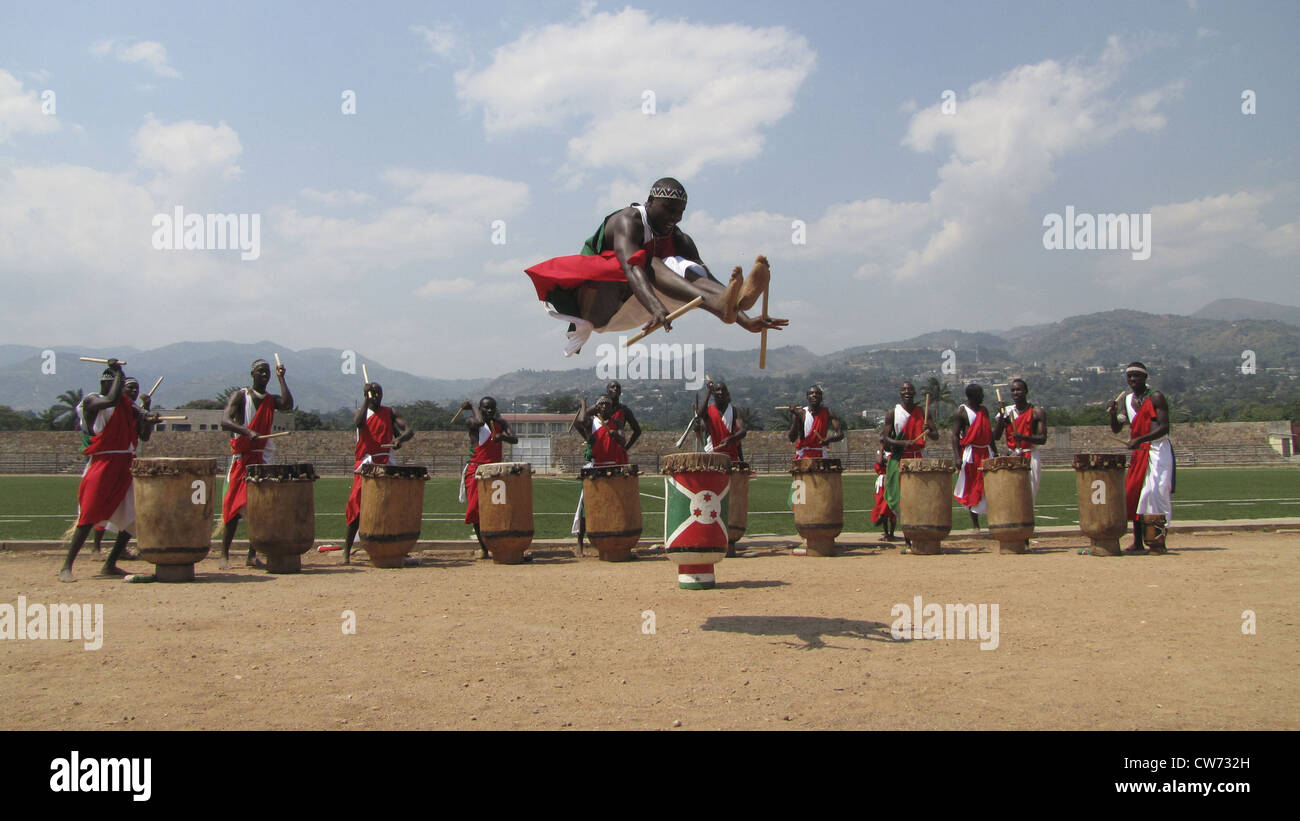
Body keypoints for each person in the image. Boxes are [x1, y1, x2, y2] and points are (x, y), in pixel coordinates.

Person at [524, 178, 787, 354]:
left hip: (634, 303)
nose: (674, 218)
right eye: (668, 209)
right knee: (647, 259)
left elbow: (712, 282)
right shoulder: (628, 220)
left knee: (686, 265)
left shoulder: (679, 237)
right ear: (649, 202)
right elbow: (632, 268)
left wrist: (743, 319)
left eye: (680, 212)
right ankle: (723, 306)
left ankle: (739, 302)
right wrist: (656, 307)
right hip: (596, 306)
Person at [58, 363, 158, 581]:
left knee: (134, 516)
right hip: (103, 463)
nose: (122, 388)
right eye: (117, 383)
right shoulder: (92, 401)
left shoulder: (126, 407)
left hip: (125, 463)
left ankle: (111, 563)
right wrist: (118, 374)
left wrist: (148, 416)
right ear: (105, 383)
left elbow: (143, 430)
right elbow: (112, 400)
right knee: (89, 514)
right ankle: (67, 566)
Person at [219, 358, 294, 569]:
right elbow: (225, 421)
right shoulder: (241, 396)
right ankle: (224, 553)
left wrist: (282, 378)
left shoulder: (270, 400)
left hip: (263, 458)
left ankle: (252, 555)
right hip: (244, 457)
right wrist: (246, 431)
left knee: (259, 508)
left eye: (267, 372)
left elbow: (288, 404)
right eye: (260, 371)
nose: (264, 375)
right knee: (233, 506)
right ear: (252, 374)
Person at [343, 381, 413, 565]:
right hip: (366, 463)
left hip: (385, 461)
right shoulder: (361, 413)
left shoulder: (390, 412)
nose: (376, 396)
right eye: (372, 393)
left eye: (378, 392)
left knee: (392, 504)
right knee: (356, 506)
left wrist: (399, 439)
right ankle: (346, 552)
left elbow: (408, 431)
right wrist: (366, 400)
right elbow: (359, 424)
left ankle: (398, 547)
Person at [1108, 362, 1174, 554]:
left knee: (1156, 491)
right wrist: (1113, 414)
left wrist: (1140, 439)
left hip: (1157, 448)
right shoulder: (1127, 401)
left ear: (1145, 377)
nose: (1132, 380)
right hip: (1140, 451)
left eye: (1136, 376)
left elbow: (1164, 427)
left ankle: (1158, 540)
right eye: (1129, 377)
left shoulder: (1156, 397)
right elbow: (1117, 428)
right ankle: (1137, 542)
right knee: (1135, 493)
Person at [878, 381, 938, 547]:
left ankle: (919, 532)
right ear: (900, 393)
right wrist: (901, 443)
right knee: (902, 498)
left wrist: (928, 429)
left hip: (918, 458)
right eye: (904, 389)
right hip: (899, 459)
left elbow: (935, 436)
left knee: (919, 497)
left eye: (910, 389)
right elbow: (884, 437)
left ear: (914, 392)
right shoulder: (893, 413)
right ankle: (907, 535)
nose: (907, 392)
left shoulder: (924, 413)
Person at [571, 395, 630, 556]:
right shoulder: (591, 422)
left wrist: (615, 434)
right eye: (601, 404)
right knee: (585, 507)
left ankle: (618, 541)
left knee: (616, 505)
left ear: (611, 408)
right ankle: (579, 542)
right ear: (597, 407)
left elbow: (622, 440)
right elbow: (580, 421)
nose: (604, 406)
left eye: (607, 404)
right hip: (595, 467)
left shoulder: (616, 423)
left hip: (612, 466)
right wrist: (585, 405)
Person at [460, 397, 518, 559]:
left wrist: (502, 437)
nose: (490, 411)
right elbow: (479, 422)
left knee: (497, 509)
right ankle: (484, 548)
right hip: (476, 470)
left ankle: (496, 544)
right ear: (480, 409)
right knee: (475, 509)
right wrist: (471, 406)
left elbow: (514, 439)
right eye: (486, 408)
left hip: (495, 470)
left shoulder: (501, 423)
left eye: (492, 408)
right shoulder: (472, 422)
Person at [952, 383, 997, 531]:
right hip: (971, 454)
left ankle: (994, 521)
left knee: (990, 487)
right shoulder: (962, 412)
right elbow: (954, 435)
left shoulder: (984, 411)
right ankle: (975, 524)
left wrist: (995, 452)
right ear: (973, 396)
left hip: (986, 451)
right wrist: (957, 456)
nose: (983, 396)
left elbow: (989, 434)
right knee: (972, 487)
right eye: (980, 393)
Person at [785, 385, 844, 459]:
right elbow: (792, 438)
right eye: (811, 393)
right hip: (803, 455)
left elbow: (840, 434)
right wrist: (796, 417)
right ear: (807, 397)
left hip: (821, 453)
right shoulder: (801, 413)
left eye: (817, 393)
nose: (814, 395)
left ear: (821, 398)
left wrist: (829, 440)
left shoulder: (828, 412)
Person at [698, 379, 746, 461]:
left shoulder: (735, 411)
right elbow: (700, 414)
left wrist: (730, 438)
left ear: (727, 394)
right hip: (712, 456)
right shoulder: (708, 411)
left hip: (730, 456)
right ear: (713, 393)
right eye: (718, 390)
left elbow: (743, 431)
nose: (720, 392)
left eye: (723, 390)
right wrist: (708, 393)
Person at [870, 451, 897, 541]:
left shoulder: (892, 453)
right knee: (882, 507)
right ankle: (886, 533)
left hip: (890, 482)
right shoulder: (881, 452)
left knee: (891, 508)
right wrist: (881, 450)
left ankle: (891, 533)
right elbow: (879, 461)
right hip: (881, 484)